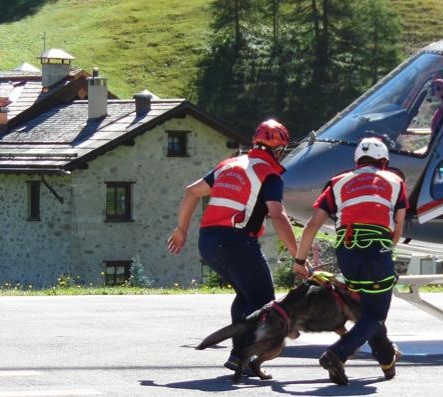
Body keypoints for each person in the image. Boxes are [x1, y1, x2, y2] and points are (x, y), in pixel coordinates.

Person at [166, 119, 308, 375]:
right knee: (264, 302)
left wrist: (181, 230)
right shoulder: (270, 174)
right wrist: (298, 257)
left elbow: (191, 192)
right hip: (236, 242)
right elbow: (277, 215)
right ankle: (240, 355)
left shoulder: (228, 165)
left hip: (208, 243)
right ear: (279, 150)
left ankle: (238, 356)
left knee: (246, 296)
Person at [294, 137, 407, 385]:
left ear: (357, 162)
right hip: (376, 249)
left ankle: (387, 360)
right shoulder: (395, 181)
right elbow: (398, 226)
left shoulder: (338, 182)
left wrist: (299, 260)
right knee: (376, 314)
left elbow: (312, 224)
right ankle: (337, 354)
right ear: (384, 162)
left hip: (347, 251)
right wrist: (386, 251)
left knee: (367, 311)